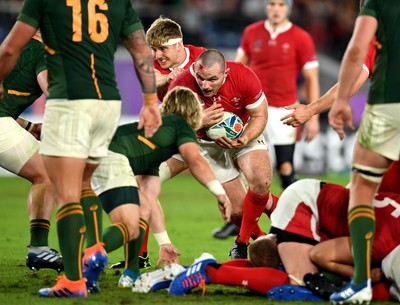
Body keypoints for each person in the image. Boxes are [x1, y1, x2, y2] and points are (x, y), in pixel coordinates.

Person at [0, 0, 161, 298]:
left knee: (65, 191)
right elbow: (141, 49)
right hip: (108, 102)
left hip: (69, 101)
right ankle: (96, 250)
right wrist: (150, 102)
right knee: (86, 184)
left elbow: (9, 49)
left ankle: (74, 280)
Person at [89, 86, 231, 289]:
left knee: (143, 208)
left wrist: (163, 242)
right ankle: (87, 260)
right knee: (129, 222)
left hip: (98, 158)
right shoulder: (179, 123)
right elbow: (195, 160)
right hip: (110, 156)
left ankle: (129, 272)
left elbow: (150, 200)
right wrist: (220, 192)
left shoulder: (155, 148)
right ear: (193, 112)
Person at [168, 49, 276, 259]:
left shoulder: (243, 76)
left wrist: (244, 138)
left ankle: (242, 243)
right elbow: (170, 128)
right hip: (205, 144)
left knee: (261, 181)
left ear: (225, 73)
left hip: (244, 131)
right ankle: (265, 241)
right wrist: (197, 121)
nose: (205, 85)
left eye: (212, 79)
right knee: (237, 211)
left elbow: (260, 114)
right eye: (200, 78)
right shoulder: (181, 85)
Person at [328, 0, 400, 303]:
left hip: (387, 104)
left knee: (361, 187)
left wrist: (342, 99)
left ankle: (360, 283)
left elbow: (358, 48)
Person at [145, 16, 238, 242]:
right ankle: (141, 257)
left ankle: (262, 242)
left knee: (243, 203)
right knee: (144, 184)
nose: (157, 55)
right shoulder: (153, 63)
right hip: (181, 136)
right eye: (154, 49)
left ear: (179, 45)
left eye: (162, 49)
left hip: (212, 137)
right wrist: (169, 78)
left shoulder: (202, 57)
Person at [235, 0, 320, 191]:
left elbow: (311, 78)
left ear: (288, 8)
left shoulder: (301, 37)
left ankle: (294, 216)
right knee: (245, 167)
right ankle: (239, 219)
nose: (276, 9)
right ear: (266, 6)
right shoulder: (251, 32)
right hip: (254, 108)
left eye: (281, 4)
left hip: (284, 110)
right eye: (272, 4)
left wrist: (313, 117)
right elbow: (238, 69)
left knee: (285, 167)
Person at [0, 31, 62, 273]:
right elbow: (54, 93)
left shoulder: (15, 49)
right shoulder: (43, 52)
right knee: (46, 174)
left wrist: (30, 126)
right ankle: (38, 250)